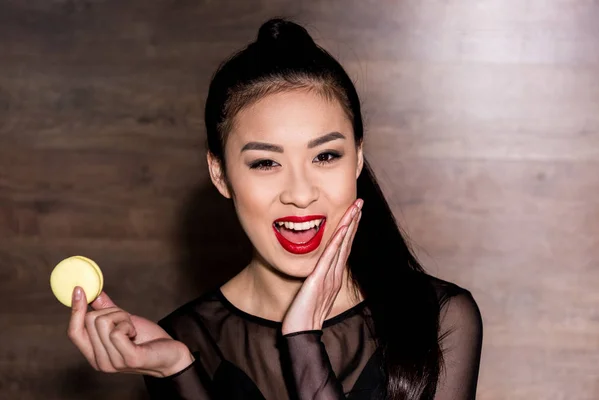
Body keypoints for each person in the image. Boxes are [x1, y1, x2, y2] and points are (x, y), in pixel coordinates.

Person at [67, 18, 483, 400]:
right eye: (266, 162)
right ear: (220, 174)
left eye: (325, 156)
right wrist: (177, 371)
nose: (300, 194)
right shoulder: (185, 341)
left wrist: (302, 339)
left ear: (357, 158)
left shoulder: (439, 318)